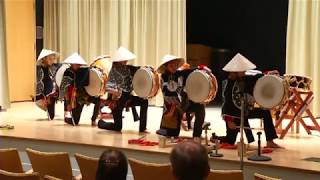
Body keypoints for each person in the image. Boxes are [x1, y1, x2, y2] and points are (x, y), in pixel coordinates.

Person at [220, 53, 281, 148]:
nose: (245, 72)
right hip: (234, 116)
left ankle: (270, 141)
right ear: (236, 71)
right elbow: (226, 104)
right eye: (242, 70)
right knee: (230, 141)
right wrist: (229, 120)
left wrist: (268, 74)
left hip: (245, 111)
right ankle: (217, 138)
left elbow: (256, 78)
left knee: (265, 113)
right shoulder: (228, 84)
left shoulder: (243, 79)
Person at [156, 55, 206, 141]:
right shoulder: (163, 77)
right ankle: (169, 129)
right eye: (171, 65)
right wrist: (178, 107)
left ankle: (197, 134)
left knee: (200, 107)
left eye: (175, 65)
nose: (174, 67)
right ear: (166, 66)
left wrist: (200, 68)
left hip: (184, 104)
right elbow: (168, 95)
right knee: (172, 134)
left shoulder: (180, 74)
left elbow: (191, 71)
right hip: (171, 106)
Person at [98, 46, 148, 132]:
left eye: (126, 59)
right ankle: (101, 123)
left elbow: (141, 70)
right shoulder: (113, 71)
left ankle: (142, 128)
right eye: (123, 59)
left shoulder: (129, 68)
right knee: (118, 127)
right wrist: (117, 92)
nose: (126, 61)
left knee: (144, 101)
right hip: (117, 101)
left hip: (127, 98)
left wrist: (147, 68)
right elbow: (108, 87)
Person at [59, 53, 101, 126]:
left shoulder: (84, 71)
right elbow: (64, 88)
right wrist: (68, 104)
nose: (78, 65)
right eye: (76, 63)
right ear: (71, 64)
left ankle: (94, 119)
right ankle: (67, 119)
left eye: (79, 63)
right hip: (76, 98)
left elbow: (92, 82)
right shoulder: (67, 73)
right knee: (75, 122)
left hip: (87, 94)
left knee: (98, 100)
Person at [35, 49, 61, 120]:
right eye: (50, 59)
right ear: (44, 59)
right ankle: (47, 107)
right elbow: (38, 83)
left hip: (54, 92)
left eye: (53, 58)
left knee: (51, 116)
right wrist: (43, 97)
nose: (52, 60)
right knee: (51, 115)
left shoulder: (56, 66)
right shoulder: (38, 69)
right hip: (43, 92)